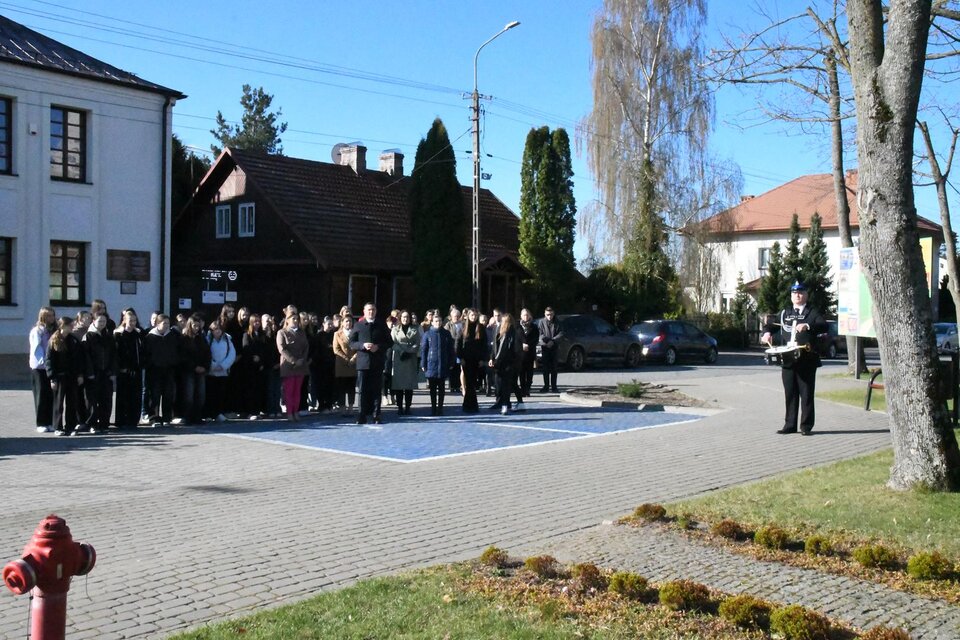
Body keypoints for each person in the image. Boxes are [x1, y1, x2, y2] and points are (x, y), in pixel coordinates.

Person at [761, 281, 827, 436]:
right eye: (794, 293)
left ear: (806, 295)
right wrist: (767, 333)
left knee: (806, 393)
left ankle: (806, 426)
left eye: (800, 293)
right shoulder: (785, 313)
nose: (797, 295)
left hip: (806, 359)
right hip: (788, 359)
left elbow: (824, 326)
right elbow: (771, 325)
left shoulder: (812, 312)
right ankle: (790, 425)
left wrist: (808, 326)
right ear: (791, 296)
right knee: (790, 393)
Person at [349, 302, 393, 425]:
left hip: (377, 362)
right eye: (368, 310)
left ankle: (376, 415)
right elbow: (352, 342)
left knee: (376, 390)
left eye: (373, 309)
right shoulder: (358, 325)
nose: (371, 312)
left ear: (376, 311)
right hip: (363, 362)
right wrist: (362, 345)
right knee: (362, 390)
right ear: (364, 311)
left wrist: (378, 347)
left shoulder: (381, 325)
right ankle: (361, 415)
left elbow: (389, 342)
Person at [46, 317, 84, 435]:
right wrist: (52, 377)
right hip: (59, 376)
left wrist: (80, 374)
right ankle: (57, 427)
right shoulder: (54, 340)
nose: (72, 327)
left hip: (72, 376)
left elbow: (79, 359)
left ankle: (70, 427)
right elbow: (49, 360)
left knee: (72, 402)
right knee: (58, 403)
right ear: (62, 326)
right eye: (70, 325)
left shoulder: (73, 340)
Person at [80, 313, 117, 433]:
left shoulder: (108, 336)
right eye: (100, 321)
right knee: (92, 399)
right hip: (93, 373)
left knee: (106, 398)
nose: (102, 324)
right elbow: (85, 356)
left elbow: (113, 355)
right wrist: (89, 372)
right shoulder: (88, 336)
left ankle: (104, 423)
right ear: (94, 321)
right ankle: (91, 423)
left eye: (104, 322)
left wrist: (112, 371)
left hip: (106, 373)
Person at [144, 314, 180, 427]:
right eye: (164, 323)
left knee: (168, 394)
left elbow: (176, 352)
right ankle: (154, 418)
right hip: (154, 371)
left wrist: (173, 363)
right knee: (154, 395)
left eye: (168, 323)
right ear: (157, 324)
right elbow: (146, 355)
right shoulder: (150, 337)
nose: (166, 326)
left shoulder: (172, 336)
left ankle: (167, 418)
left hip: (169, 370)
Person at [176, 316, 210, 425]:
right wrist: (194, 367)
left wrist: (205, 366)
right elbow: (183, 356)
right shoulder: (184, 339)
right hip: (189, 371)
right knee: (188, 395)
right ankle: (188, 416)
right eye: (194, 326)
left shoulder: (202, 338)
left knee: (201, 395)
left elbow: (207, 354)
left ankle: (197, 416)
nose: (196, 328)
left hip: (201, 370)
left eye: (198, 326)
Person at [276, 313, 309, 422]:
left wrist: (302, 360)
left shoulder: (301, 332)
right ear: (287, 320)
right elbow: (282, 349)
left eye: (297, 319)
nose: (295, 321)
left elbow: (306, 347)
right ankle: (290, 412)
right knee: (289, 390)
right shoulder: (282, 332)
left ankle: (296, 411)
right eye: (293, 319)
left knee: (297, 391)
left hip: (301, 365)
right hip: (288, 366)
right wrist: (294, 361)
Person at [114, 309, 143, 429]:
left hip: (136, 369)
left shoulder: (138, 334)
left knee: (135, 396)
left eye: (134, 320)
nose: (132, 323)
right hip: (123, 370)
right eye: (130, 320)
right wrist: (120, 367)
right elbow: (116, 353)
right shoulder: (118, 334)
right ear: (124, 320)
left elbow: (142, 351)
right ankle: (121, 420)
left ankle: (133, 420)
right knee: (123, 396)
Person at [29, 306, 56, 433]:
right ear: (43, 317)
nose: (51, 318)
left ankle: (50, 422)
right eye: (48, 316)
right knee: (41, 395)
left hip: (50, 366)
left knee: (50, 395)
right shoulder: (38, 331)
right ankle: (41, 423)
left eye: (52, 315)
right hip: (39, 368)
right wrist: (43, 362)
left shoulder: (53, 330)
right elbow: (37, 349)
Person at [421, 313, 454, 416]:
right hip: (432, 364)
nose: (438, 323)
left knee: (442, 389)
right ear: (432, 322)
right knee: (432, 389)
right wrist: (423, 364)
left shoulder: (446, 333)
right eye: (436, 321)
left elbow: (451, 349)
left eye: (439, 321)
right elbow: (424, 350)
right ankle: (433, 408)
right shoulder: (427, 334)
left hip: (443, 364)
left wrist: (451, 361)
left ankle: (440, 408)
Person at [456, 308, 487, 413]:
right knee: (469, 382)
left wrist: (483, 359)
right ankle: (470, 405)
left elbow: (484, 345)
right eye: (472, 315)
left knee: (473, 382)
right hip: (466, 359)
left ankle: (470, 404)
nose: (473, 317)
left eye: (475, 315)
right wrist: (460, 357)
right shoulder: (463, 327)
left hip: (477, 360)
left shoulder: (481, 328)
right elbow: (458, 344)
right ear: (468, 316)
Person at [390, 311, 421, 415]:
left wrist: (410, 351)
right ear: (400, 318)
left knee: (409, 385)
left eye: (407, 317)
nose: (405, 319)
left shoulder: (415, 329)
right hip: (399, 358)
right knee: (399, 385)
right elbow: (392, 342)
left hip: (410, 358)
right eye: (403, 317)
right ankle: (399, 407)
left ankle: (408, 407)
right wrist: (401, 351)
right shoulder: (395, 329)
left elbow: (417, 343)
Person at [490, 313, 521, 415]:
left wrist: (496, 360)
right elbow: (495, 348)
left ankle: (505, 405)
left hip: (507, 363)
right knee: (503, 385)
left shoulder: (510, 333)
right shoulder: (502, 332)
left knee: (505, 386)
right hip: (505, 363)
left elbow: (504, 350)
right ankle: (506, 404)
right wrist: (492, 358)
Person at [242, 314, 269, 419]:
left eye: (258, 321)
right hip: (250, 366)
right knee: (251, 389)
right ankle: (250, 412)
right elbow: (246, 348)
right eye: (255, 321)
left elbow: (265, 349)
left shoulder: (262, 335)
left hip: (260, 366)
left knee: (259, 389)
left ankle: (257, 411)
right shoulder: (247, 334)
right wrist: (253, 357)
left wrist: (261, 361)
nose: (257, 323)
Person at [333, 314, 358, 416]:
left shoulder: (356, 333)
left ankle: (351, 407)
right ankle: (342, 407)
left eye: (350, 321)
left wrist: (354, 358)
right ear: (342, 323)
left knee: (351, 387)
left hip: (353, 364)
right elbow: (336, 349)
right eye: (346, 321)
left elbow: (359, 347)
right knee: (341, 387)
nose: (348, 323)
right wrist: (347, 359)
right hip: (341, 364)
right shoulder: (337, 334)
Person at [516, 308, 540, 409]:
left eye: (527, 315)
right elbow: (516, 338)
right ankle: (523, 390)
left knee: (529, 372)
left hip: (530, 352)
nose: (526, 317)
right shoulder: (517, 326)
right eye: (524, 315)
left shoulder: (534, 327)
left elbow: (536, 339)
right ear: (521, 316)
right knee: (521, 372)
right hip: (520, 353)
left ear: (530, 315)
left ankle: (528, 389)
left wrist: (528, 345)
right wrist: (521, 345)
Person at [537, 307, 563, 393]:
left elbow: (561, 333)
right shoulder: (541, 322)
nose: (549, 316)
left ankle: (554, 387)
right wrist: (546, 341)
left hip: (554, 347)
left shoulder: (557, 322)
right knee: (545, 368)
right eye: (547, 315)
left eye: (551, 314)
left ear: (553, 314)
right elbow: (540, 334)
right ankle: (546, 386)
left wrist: (553, 341)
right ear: (545, 314)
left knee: (554, 368)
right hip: (545, 347)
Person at [261, 314, 282, 417]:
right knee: (270, 389)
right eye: (267, 321)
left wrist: (279, 363)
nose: (269, 323)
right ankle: (270, 409)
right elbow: (264, 352)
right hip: (268, 366)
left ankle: (277, 408)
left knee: (277, 389)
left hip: (278, 365)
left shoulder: (277, 334)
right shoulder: (263, 336)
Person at [445, 306, 463, 394]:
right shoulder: (448, 325)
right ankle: (452, 386)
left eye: (458, 316)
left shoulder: (463, 324)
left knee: (459, 369)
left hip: (460, 350)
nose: (456, 318)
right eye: (455, 316)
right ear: (451, 317)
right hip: (451, 349)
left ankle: (459, 385)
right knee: (452, 368)